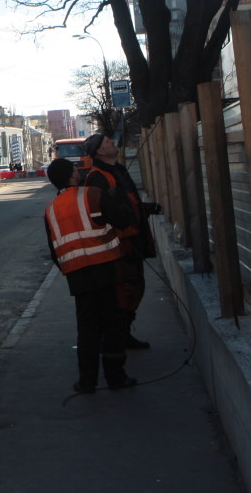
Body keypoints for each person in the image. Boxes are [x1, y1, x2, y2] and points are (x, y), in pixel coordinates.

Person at [43, 157, 136, 393]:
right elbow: (123, 221)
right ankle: (116, 378)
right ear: (73, 176)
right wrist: (118, 198)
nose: (78, 171)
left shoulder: (51, 209)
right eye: (75, 169)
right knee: (113, 323)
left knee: (87, 328)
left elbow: (53, 248)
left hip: (78, 275)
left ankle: (87, 382)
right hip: (106, 267)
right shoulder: (92, 195)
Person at [84, 132, 161, 349]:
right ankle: (116, 337)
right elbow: (103, 213)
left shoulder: (117, 170)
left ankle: (121, 333)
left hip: (133, 239)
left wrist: (145, 209)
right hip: (120, 245)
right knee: (124, 290)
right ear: (100, 150)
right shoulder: (98, 177)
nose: (112, 143)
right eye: (108, 142)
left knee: (135, 286)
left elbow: (126, 203)